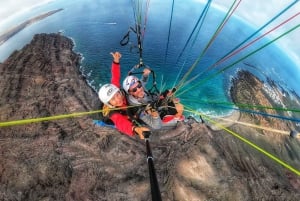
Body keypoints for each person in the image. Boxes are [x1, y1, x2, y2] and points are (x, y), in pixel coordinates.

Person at [98, 52, 149, 139]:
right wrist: (135, 129)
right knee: (128, 120)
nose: (118, 99)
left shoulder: (116, 90)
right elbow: (121, 123)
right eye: (113, 99)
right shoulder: (112, 113)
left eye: (117, 94)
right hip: (117, 119)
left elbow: (115, 77)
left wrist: (116, 61)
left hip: (126, 109)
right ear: (109, 103)